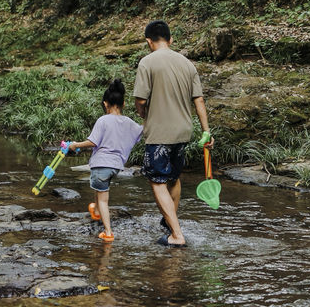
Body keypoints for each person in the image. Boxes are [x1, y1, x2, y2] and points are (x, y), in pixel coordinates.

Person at [133, 19, 212, 248]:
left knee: (157, 181)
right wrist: (206, 132)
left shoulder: (147, 63)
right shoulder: (187, 64)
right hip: (183, 132)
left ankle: (176, 234)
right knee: (173, 178)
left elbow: (140, 100)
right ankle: (170, 222)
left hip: (159, 132)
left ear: (149, 41)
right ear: (171, 39)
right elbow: (199, 100)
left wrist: (143, 114)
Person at [67, 79, 143, 243]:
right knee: (99, 189)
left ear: (105, 103)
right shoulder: (129, 122)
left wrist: (75, 145)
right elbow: (143, 131)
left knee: (103, 198)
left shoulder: (103, 120)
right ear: (123, 103)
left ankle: (108, 232)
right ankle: (95, 211)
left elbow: (93, 142)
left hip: (101, 164)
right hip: (116, 166)